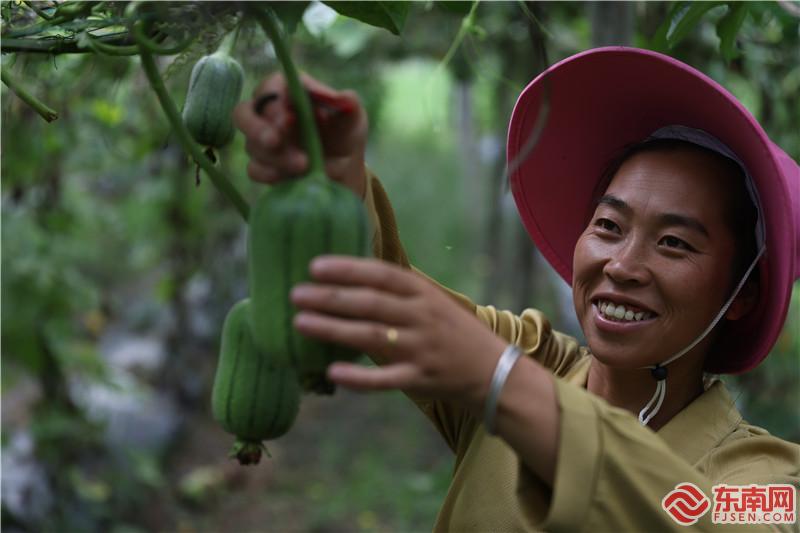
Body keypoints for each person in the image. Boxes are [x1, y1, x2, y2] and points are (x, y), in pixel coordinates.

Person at [233, 47, 800, 531]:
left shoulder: (764, 477)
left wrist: (502, 384)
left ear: (741, 294)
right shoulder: (534, 362)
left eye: (674, 243)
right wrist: (335, 187)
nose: (623, 266)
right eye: (608, 226)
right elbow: (388, 293)